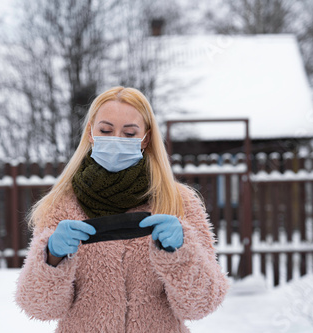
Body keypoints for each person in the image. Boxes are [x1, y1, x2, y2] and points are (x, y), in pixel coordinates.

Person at [14, 86, 229, 332]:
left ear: (145, 139)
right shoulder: (62, 205)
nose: (116, 140)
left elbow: (201, 305)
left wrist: (181, 254)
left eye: (129, 133)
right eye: (106, 130)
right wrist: (52, 257)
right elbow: (39, 308)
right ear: (91, 133)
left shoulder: (178, 202)